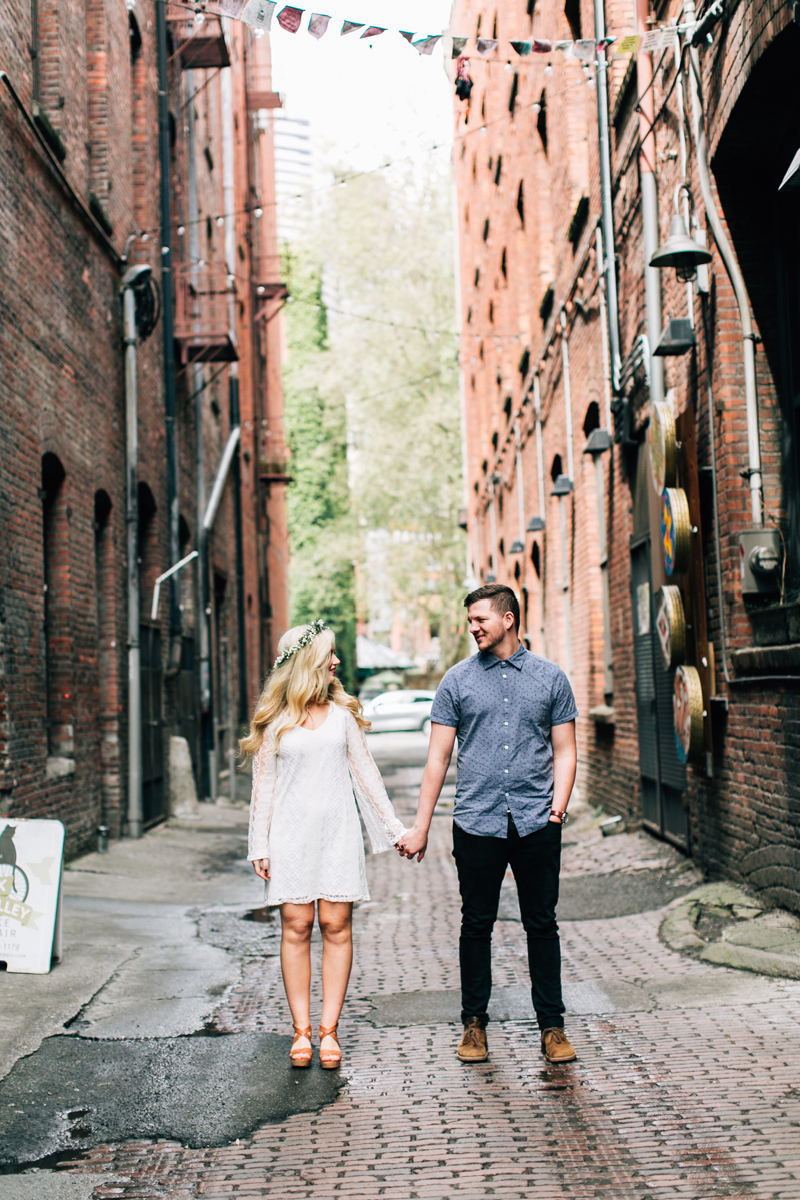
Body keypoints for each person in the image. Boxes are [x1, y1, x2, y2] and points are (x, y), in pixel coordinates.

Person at [399, 584, 578, 1065]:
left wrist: (557, 810)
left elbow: (565, 750)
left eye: (481, 619)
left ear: (509, 619)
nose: (473, 628)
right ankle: (474, 1026)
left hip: (537, 821)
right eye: (471, 620)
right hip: (476, 822)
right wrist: (420, 828)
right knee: (476, 925)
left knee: (542, 924)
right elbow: (437, 759)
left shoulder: (551, 678)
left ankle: (552, 1027)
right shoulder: (456, 681)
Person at [242, 620, 406, 1069]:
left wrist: (395, 831)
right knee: (296, 926)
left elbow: (367, 777)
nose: (337, 661)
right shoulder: (275, 720)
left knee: (336, 926)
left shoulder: (343, 717)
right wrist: (259, 843)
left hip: (338, 834)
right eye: (329, 654)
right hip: (289, 836)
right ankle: (301, 1031)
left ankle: (329, 1031)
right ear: (307, 660)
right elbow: (264, 788)